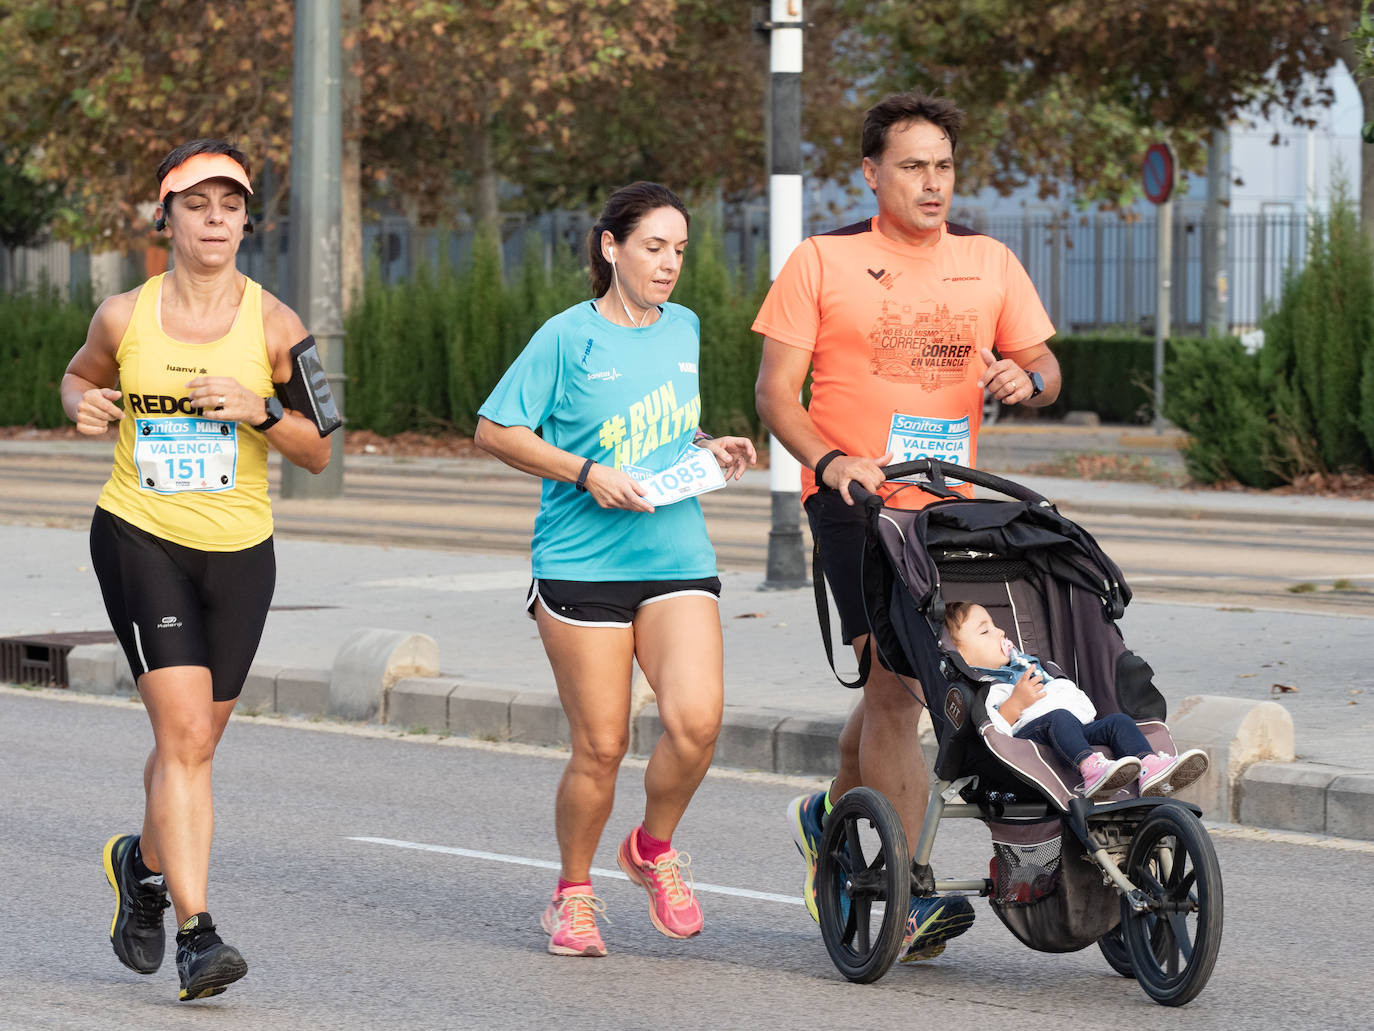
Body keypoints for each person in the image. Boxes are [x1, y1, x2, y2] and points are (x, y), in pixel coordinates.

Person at [753, 88, 1064, 962]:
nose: (933, 183)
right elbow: (775, 394)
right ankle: (907, 888)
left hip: (950, 509)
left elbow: (1045, 367)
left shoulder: (989, 262)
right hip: (856, 503)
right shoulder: (821, 261)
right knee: (898, 685)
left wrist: (1024, 382)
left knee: (902, 682)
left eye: (944, 166)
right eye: (913, 165)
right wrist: (830, 462)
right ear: (871, 172)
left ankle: (828, 819)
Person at [61, 139, 334, 1001]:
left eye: (231, 205)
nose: (216, 219)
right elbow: (77, 378)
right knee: (182, 738)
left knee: (197, 743)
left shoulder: (278, 324)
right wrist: (83, 404)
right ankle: (198, 934)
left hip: (241, 551)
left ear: (248, 220)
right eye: (198, 203)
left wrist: (262, 408)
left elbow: (322, 449)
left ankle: (138, 861)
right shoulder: (122, 316)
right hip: (140, 535)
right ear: (166, 216)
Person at [473, 181, 757, 958]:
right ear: (611, 247)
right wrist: (584, 470)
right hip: (581, 562)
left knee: (696, 722)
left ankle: (652, 848)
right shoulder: (566, 338)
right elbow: (495, 429)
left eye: (679, 251)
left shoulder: (684, 327)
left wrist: (707, 448)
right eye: (654, 247)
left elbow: (664, 425)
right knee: (600, 745)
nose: (669, 265)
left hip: (675, 553)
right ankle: (572, 892)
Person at [945, 603, 1209, 797]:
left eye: (995, 625)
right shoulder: (989, 686)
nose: (1000, 632)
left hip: (1073, 727)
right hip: (1033, 738)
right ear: (963, 657)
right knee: (1059, 718)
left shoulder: (1030, 668)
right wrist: (1016, 702)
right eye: (985, 632)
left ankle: (1149, 767)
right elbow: (995, 733)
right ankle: (1090, 768)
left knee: (1118, 721)